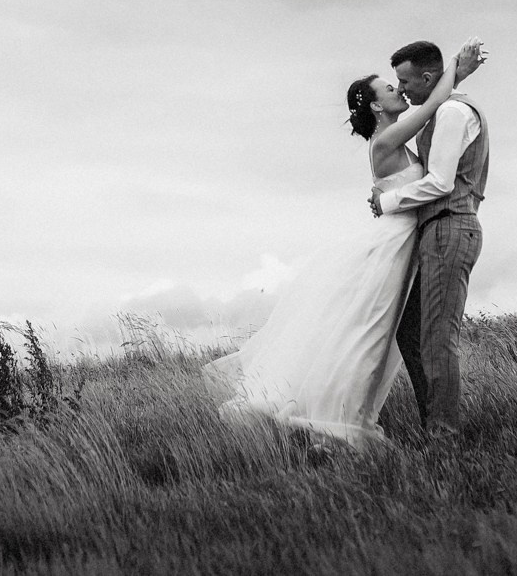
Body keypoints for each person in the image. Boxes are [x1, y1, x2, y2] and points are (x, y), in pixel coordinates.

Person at [205, 38, 487, 443]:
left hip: (407, 240)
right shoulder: (387, 141)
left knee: (385, 334)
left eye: (400, 83)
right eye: (390, 88)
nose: (398, 89)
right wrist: (457, 70)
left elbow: (432, 117)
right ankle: (343, 417)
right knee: (365, 336)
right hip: (395, 245)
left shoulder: (399, 138)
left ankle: (378, 416)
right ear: (376, 106)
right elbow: (429, 108)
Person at [368, 39, 489, 435]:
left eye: (403, 81)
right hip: (436, 230)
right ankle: (432, 423)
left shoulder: (453, 112)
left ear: (426, 77)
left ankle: (443, 436)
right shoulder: (441, 110)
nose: (400, 89)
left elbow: (440, 183)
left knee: (437, 341)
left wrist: (387, 201)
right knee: (412, 332)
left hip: (449, 225)